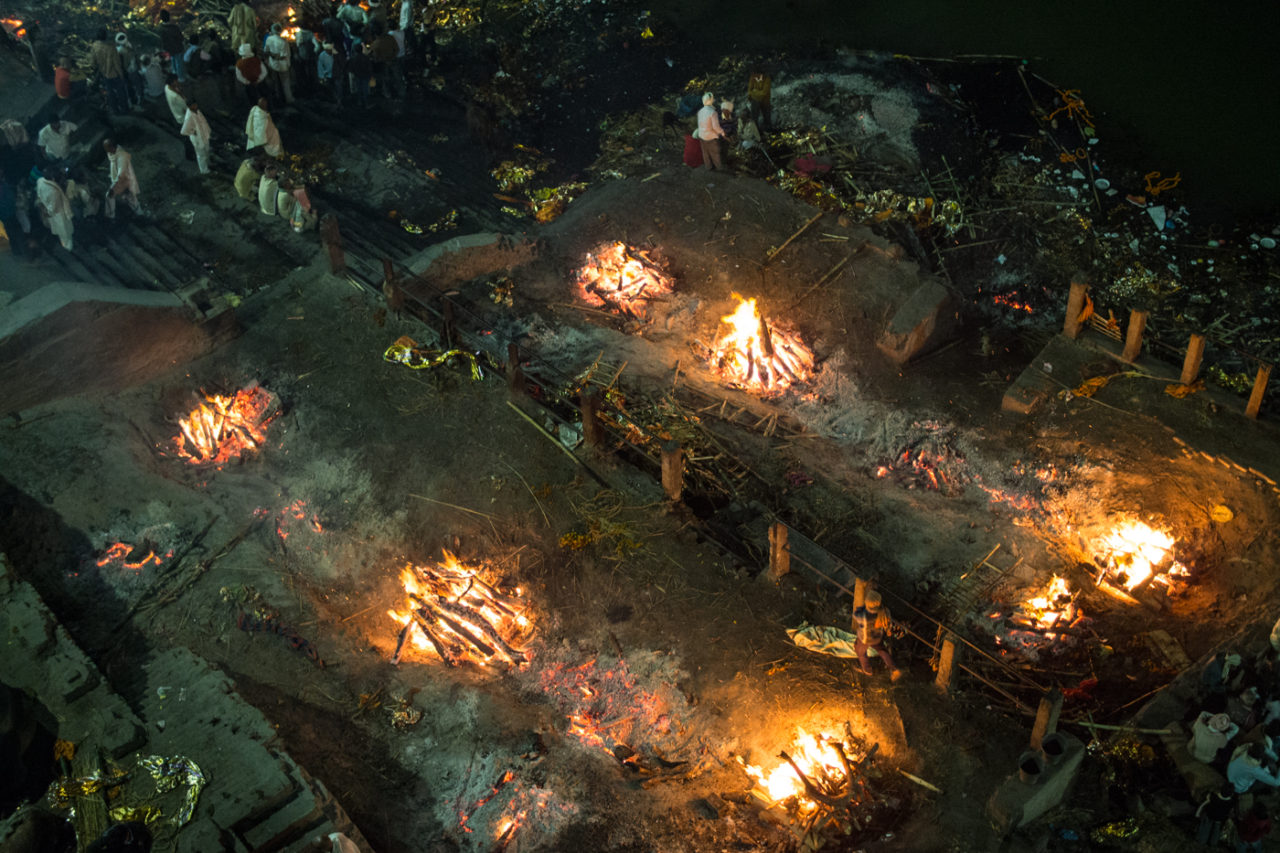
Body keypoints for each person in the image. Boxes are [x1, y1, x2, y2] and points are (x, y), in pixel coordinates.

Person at [853, 590, 902, 681]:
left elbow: (856, 616)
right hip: (878, 637)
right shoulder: (883, 611)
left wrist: (860, 608)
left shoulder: (864, 615)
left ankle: (867, 670)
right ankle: (894, 669)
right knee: (882, 650)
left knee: (860, 652)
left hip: (866, 638)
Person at [91, 29, 129, 114]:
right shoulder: (111, 48)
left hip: (104, 73)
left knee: (110, 93)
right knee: (121, 92)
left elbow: (93, 62)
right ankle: (125, 110)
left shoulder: (94, 46)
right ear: (105, 36)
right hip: (114, 74)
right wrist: (121, 75)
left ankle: (115, 110)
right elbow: (117, 64)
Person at [34, 168, 74, 251]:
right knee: (65, 234)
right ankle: (68, 248)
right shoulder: (53, 191)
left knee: (62, 233)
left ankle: (66, 246)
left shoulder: (40, 181)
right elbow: (52, 208)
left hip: (52, 213)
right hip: (59, 215)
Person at [102, 139, 141, 220]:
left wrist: (114, 187)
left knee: (110, 195)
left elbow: (121, 174)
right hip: (121, 181)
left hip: (123, 182)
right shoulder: (113, 153)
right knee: (130, 199)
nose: (105, 150)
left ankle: (110, 217)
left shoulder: (121, 157)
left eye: (106, 148)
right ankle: (139, 215)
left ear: (112, 147)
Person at [264, 23, 293, 104]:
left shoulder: (269, 39)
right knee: (285, 83)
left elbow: (266, 51)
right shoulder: (283, 41)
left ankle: (279, 99)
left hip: (273, 64)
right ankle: (289, 99)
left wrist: (273, 56)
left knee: (276, 83)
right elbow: (286, 55)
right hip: (283, 65)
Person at [180, 100, 212, 175]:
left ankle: (208, 163)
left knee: (207, 151)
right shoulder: (189, 117)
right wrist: (193, 132)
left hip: (204, 135)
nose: (195, 106)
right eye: (194, 105)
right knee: (201, 155)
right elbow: (183, 131)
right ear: (189, 106)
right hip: (198, 139)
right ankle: (204, 170)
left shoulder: (197, 111)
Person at [695, 92, 724, 171]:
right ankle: (720, 168)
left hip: (702, 136)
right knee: (715, 153)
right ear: (710, 100)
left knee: (706, 153)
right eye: (712, 99)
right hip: (711, 137)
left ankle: (708, 167)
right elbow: (716, 127)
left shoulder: (700, 111)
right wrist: (722, 132)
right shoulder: (712, 113)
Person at [158, 11, 186, 81]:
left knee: (173, 61)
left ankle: (174, 74)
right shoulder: (174, 27)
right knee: (179, 63)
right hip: (178, 49)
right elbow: (181, 38)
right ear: (169, 17)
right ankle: (181, 78)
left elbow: (161, 40)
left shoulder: (160, 28)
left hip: (169, 50)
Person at [116, 32, 141, 107]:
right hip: (133, 69)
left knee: (130, 86)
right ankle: (139, 98)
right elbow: (135, 56)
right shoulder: (129, 45)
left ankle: (134, 100)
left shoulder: (118, 50)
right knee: (137, 85)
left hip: (127, 71)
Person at [347, 44, 372, 108]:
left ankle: (359, 102)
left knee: (358, 89)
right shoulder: (366, 57)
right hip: (365, 76)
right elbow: (369, 67)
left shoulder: (353, 59)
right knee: (365, 89)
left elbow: (351, 69)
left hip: (357, 76)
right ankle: (366, 103)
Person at [294, 30, 317, 97]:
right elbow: (317, 46)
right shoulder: (310, 34)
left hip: (303, 58)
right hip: (309, 57)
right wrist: (314, 52)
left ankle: (307, 90)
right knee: (310, 73)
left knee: (305, 74)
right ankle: (311, 90)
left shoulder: (299, 34)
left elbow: (297, 45)